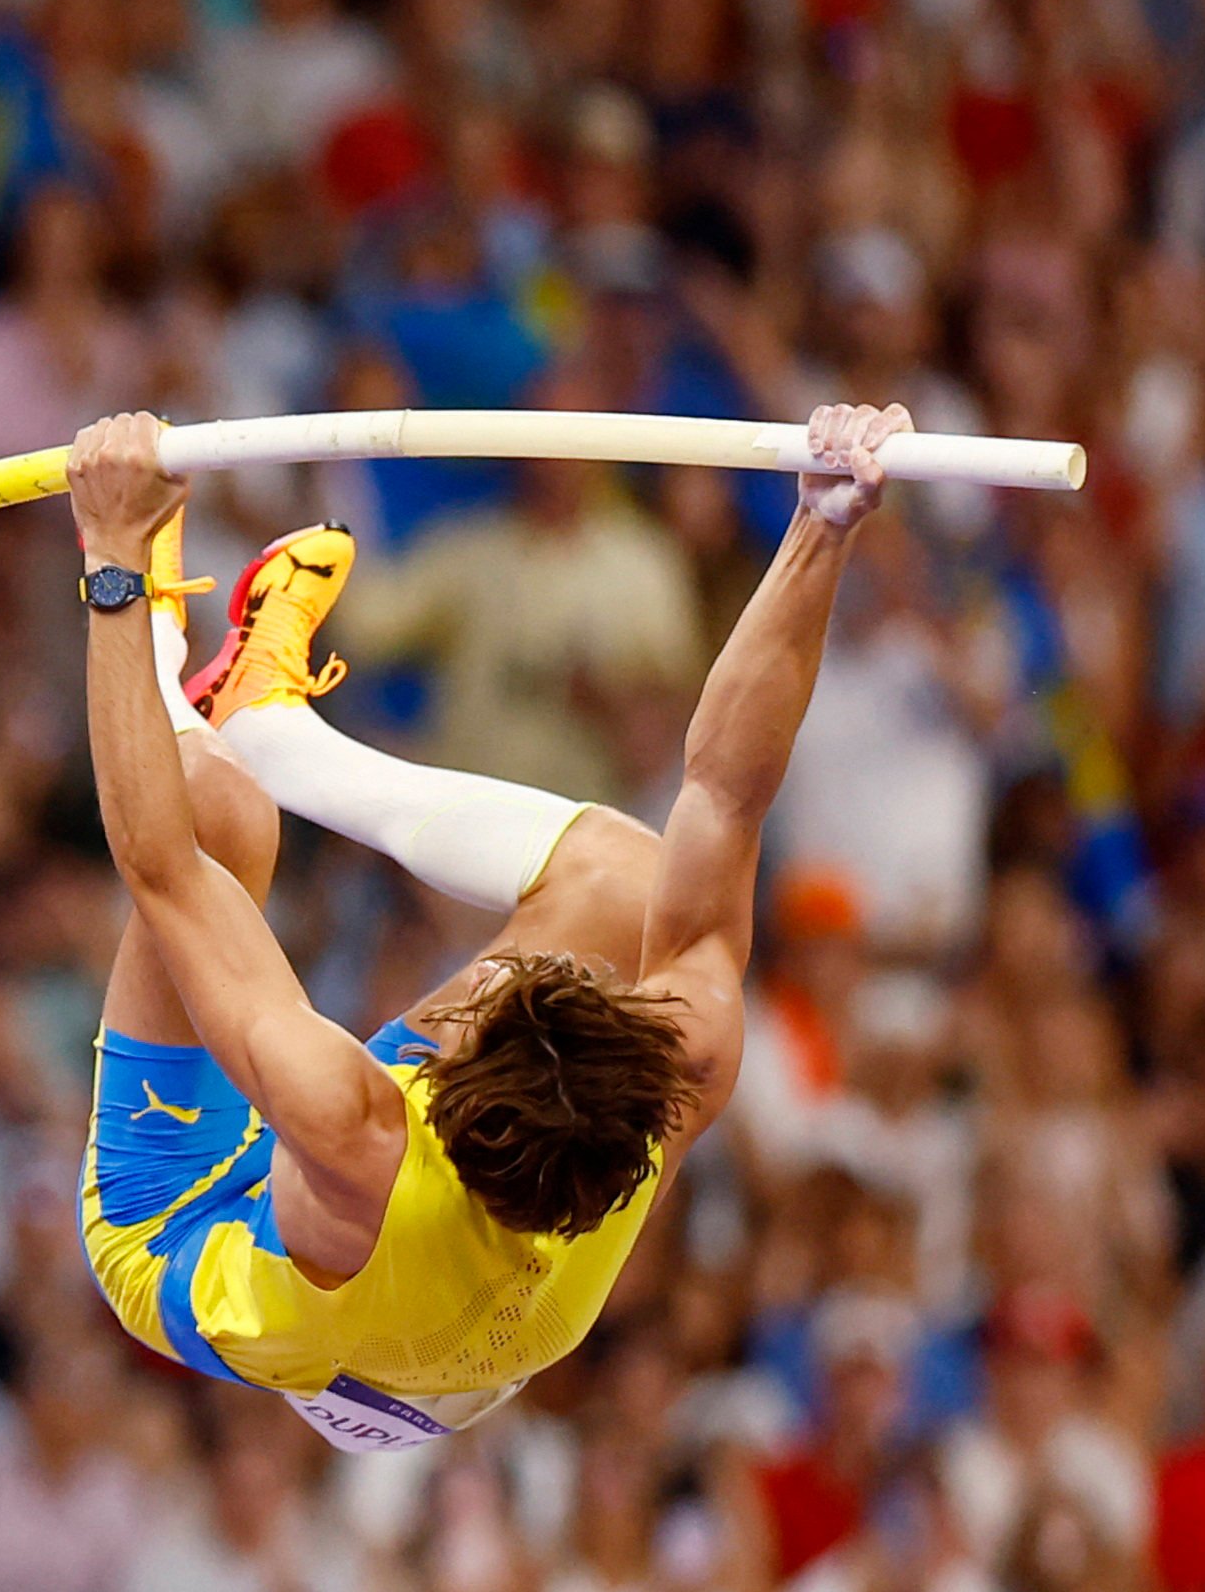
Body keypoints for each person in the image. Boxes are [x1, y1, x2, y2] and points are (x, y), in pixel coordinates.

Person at [62, 399, 910, 1452]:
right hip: (461, 1331)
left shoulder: (350, 1124)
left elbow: (155, 863)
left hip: (186, 1225)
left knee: (218, 812)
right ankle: (271, 725)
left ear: (442, 1090)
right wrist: (819, 531)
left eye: (468, 1016)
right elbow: (728, 791)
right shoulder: (677, 1063)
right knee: (632, 878)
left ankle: (206, 704)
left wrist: (115, 559)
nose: (470, 981)